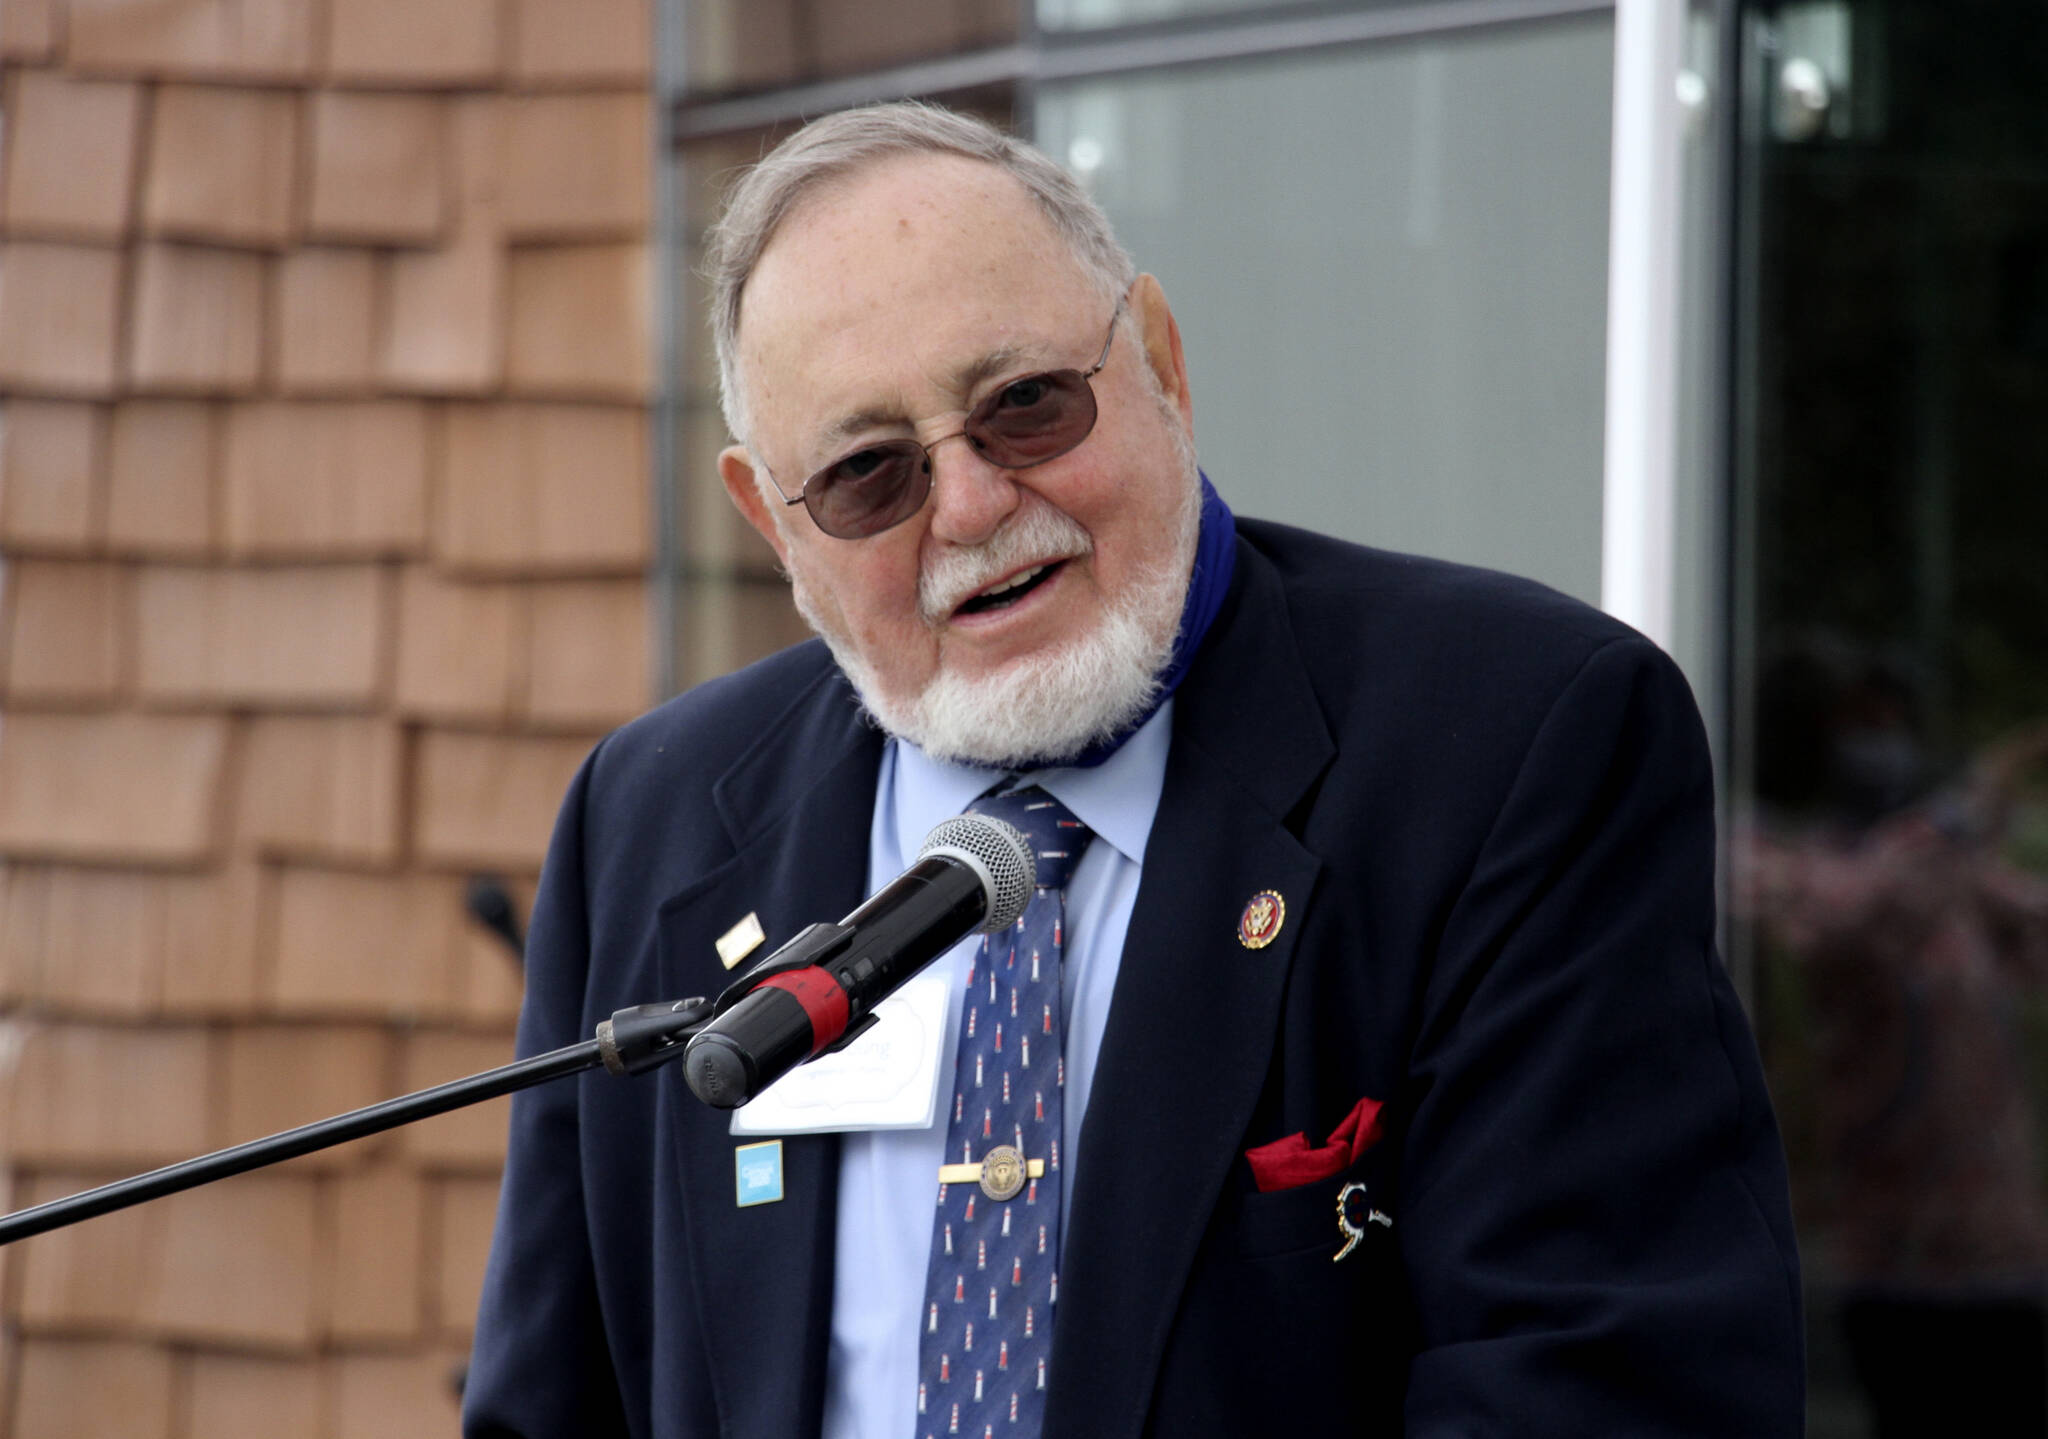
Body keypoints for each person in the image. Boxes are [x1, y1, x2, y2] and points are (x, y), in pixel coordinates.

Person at [464, 102, 1802, 1439]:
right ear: (772, 519)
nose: (975, 507)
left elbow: (1606, 1395)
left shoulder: (1512, 743)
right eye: (872, 475)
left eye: (1026, 407)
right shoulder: (651, 817)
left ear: (1160, 360)